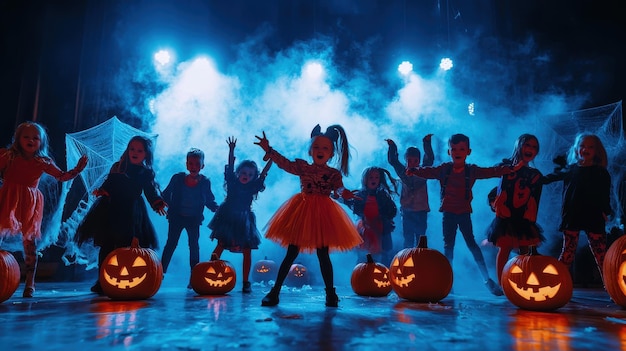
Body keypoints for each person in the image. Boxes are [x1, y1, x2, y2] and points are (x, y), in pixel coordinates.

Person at [254, 124, 363, 307]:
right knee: (291, 253)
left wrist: (344, 193)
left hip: (323, 213)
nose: (320, 151)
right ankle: (275, 291)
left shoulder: (333, 173)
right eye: (317, 147)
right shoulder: (303, 167)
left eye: (325, 148)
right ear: (311, 151)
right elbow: (285, 164)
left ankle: (330, 293)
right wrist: (269, 150)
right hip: (302, 210)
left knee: (323, 254)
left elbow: (338, 189)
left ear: (331, 154)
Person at [406, 133, 521, 296]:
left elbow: (490, 171)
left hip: (464, 213)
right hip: (448, 214)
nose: (457, 152)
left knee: (472, 244)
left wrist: (509, 169)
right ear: (449, 152)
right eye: (454, 149)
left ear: (468, 151)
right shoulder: (444, 169)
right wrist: (415, 170)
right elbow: (428, 171)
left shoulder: (471, 170)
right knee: (449, 247)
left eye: (461, 149)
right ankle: (447, 281)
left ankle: (487, 279)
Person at [0, 121, 87, 297]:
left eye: (35, 138)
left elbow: (62, 177)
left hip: (28, 203)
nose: (30, 140)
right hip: (8, 198)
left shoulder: (42, 162)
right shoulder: (8, 156)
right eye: (26, 137)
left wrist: (77, 170)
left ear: (41, 142)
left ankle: (30, 283)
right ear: (18, 139)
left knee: (29, 242)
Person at [76, 135, 166, 295]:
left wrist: (156, 202)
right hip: (112, 208)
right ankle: (102, 280)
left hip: (132, 211)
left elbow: (150, 190)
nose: (135, 152)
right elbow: (110, 183)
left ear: (146, 154)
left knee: (129, 244)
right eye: (132, 149)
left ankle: (130, 277)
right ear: (127, 150)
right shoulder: (118, 166)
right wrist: (103, 190)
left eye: (139, 150)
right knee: (107, 244)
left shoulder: (145, 173)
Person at [542, 132, 612, 283]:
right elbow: (549, 178)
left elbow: (605, 195)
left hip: (593, 216)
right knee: (567, 252)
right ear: (576, 149)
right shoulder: (570, 169)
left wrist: (607, 212)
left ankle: (612, 286)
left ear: (597, 150)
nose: (585, 149)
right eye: (582, 146)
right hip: (572, 215)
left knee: (601, 254)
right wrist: (532, 177)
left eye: (590, 147)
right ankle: (556, 285)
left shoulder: (601, 172)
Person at [209, 136, 272, 293]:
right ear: (238, 173)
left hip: (244, 220)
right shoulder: (233, 182)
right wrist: (231, 150)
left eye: (250, 175)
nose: (246, 176)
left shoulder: (253, 186)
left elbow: (264, 173)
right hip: (229, 217)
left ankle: (246, 282)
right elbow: (230, 167)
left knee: (247, 250)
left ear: (253, 177)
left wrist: (271, 156)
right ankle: (208, 269)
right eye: (244, 173)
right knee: (221, 244)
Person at [486, 134, 545, 285]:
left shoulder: (535, 175)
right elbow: (495, 173)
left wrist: (532, 216)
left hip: (522, 218)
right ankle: (502, 283)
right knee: (505, 247)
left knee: (525, 250)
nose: (530, 149)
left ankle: (523, 280)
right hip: (506, 217)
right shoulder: (505, 167)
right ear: (519, 147)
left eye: (534, 147)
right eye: (527, 145)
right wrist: (513, 168)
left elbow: (535, 198)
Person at [160, 148, 219, 288]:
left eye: (197, 164)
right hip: (177, 217)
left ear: (202, 166)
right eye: (191, 163)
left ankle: (194, 277)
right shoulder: (178, 178)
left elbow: (209, 199)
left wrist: (216, 208)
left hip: (193, 219)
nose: (194, 167)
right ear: (187, 164)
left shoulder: (205, 182)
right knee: (171, 243)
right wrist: (161, 203)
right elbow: (166, 193)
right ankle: (159, 272)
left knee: (194, 246)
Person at [343, 166, 398, 266]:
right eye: (371, 177)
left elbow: (392, 209)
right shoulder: (361, 195)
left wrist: (385, 218)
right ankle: (360, 274)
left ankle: (381, 273)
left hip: (379, 228)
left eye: (376, 177)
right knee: (363, 254)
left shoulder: (382, 195)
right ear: (365, 179)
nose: (374, 180)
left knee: (380, 253)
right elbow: (352, 203)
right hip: (365, 227)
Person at [386, 135, 434, 248]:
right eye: (409, 161)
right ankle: (406, 260)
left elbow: (429, 159)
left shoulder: (423, 172)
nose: (412, 163)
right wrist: (392, 147)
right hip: (407, 211)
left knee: (421, 238)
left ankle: (421, 260)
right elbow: (393, 161)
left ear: (419, 161)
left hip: (421, 211)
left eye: (415, 161)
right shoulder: (403, 173)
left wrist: (426, 143)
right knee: (408, 238)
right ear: (406, 161)